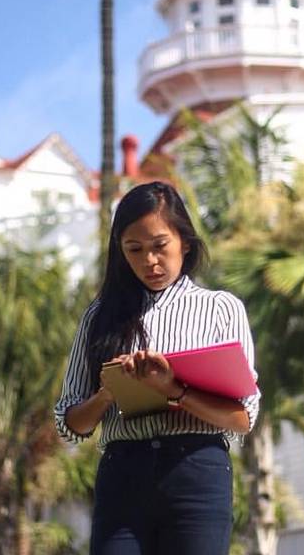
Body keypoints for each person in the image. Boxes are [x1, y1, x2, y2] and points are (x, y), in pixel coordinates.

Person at [55, 181, 260, 555]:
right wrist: (108, 393)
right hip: (123, 474)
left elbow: (242, 418)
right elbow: (70, 426)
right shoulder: (100, 317)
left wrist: (173, 389)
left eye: (159, 246)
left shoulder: (221, 309)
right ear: (120, 253)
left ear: (184, 241)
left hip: (197, 471)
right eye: (134, 250)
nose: (149, 261)